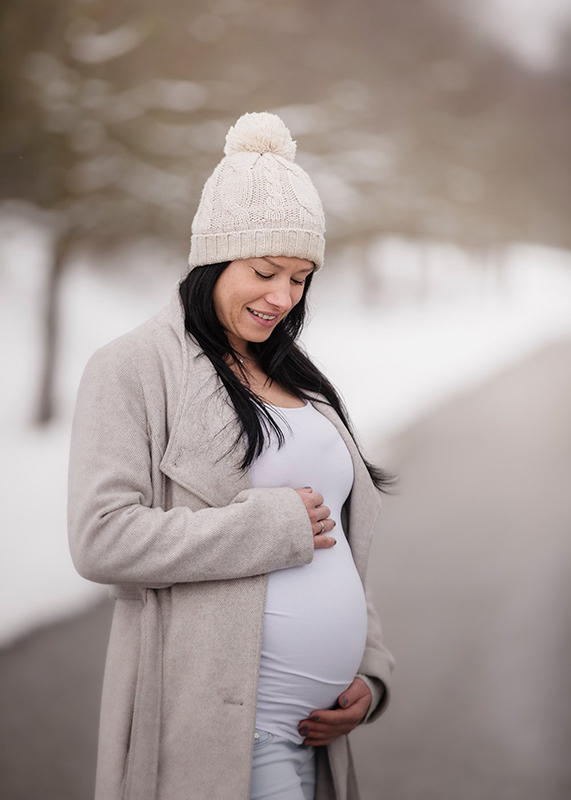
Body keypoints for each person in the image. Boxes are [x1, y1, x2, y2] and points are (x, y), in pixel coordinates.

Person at [68, 111, 395, 800]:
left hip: (314, 732)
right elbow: (101, 538)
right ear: (215, 257)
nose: (282, 297)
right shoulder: (132, 367)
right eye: (265, 271)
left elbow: (338, 545)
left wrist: (369, 676)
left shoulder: (297, 377)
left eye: (300, 278)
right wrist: (267, 527)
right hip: (220, 731)